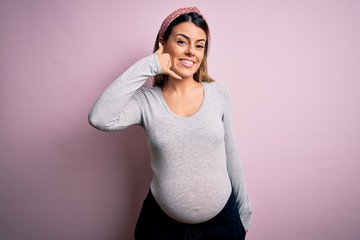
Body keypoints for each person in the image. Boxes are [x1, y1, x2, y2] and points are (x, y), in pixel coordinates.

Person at [88, 6, 252, 240]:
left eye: (199, 45)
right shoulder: (146, 101)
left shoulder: (219, 93)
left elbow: (232, 156)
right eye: (182, 42)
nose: (191, 52)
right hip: (162, 228)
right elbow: (99, 118)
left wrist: (244, 213)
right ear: (163, 45)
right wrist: (149, 65)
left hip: (222, 225)